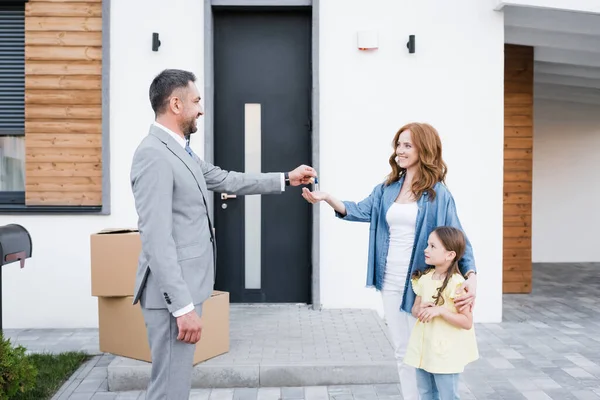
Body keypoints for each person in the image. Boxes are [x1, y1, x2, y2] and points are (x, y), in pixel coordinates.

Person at [130, 69, 317, 400]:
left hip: (186, 289)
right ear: (175, 104)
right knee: (169, 390)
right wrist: (182, 307)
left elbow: (227, 179)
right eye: (196, 101)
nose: (201, 109)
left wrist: (285, 179)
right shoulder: (154, 155)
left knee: (175, 385)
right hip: (172, 297)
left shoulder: (180, 150)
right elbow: (156, 240)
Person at [302, 122, 477, 400]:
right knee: (402, 350)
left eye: (407, 145)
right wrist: (326, 197)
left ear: (424, 148)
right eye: (398, 144)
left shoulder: (438, 194)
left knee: (427, 350)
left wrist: (471, 277)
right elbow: (357, 210)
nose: (399, 151)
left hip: (422, 284)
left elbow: (458, 237)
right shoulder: (386, 189)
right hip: (390, 281)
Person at [404, 226, 479, 400]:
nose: (425, 249)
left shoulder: (458, 284)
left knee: (448, 395)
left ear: (450, 255)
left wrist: (441, 311)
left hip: (445, 353)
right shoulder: (424, 279)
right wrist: (419, 310)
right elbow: (415, 309)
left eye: (432, 246)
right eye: (427, 245)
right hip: (424, 349)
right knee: (425, 393)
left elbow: (467, 322)